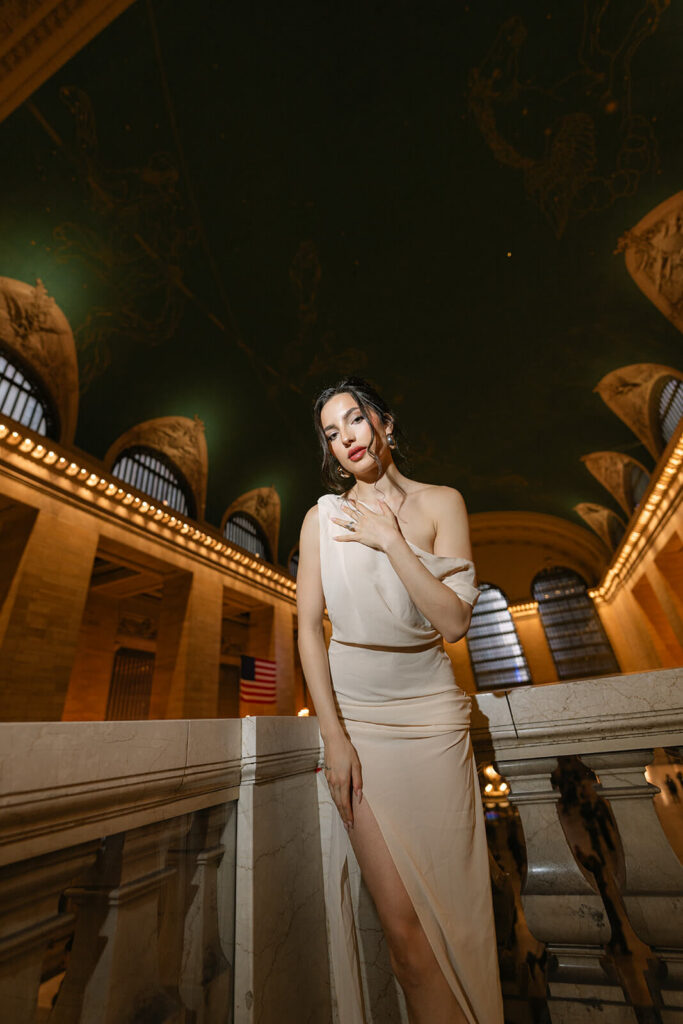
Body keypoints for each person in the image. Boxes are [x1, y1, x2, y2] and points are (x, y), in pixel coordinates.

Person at [296, 376, 504, 1024]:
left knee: (455, 922)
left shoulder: (443, 503)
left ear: (382, 421)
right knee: (405, 937)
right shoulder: (321, 518)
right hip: (360, 725)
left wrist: (390, 540)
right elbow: (306, 625)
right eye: (331, 433)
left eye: (353, 420)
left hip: (432, 721)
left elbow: (454, 621)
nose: (345, 439)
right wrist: (334, 738)